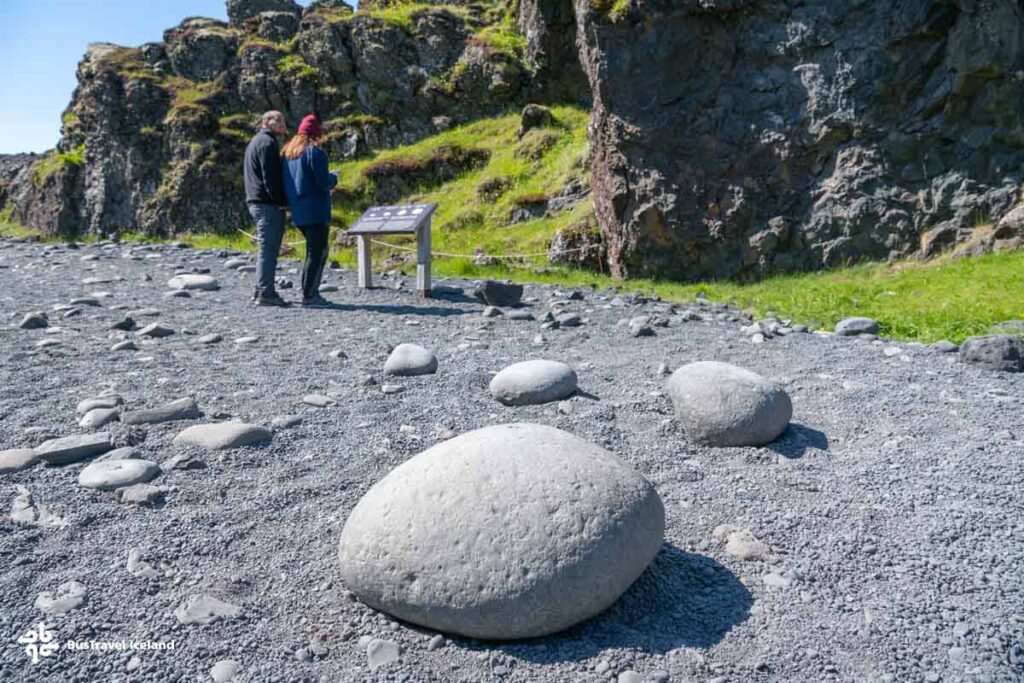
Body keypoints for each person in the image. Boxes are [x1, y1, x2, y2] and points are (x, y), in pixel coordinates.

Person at [281, 114, 338, 307]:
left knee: (312, 251)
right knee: (318, 252)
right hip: (316, 210)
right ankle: (310, 295)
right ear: (316, 134)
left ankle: (309, 292)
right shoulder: (315, 153)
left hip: (298, 210)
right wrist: (334, 178)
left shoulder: (288, 154)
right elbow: (323, 182)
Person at [244, 110, 290, 307]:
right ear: (267, 122)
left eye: (282, 120)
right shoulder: (268, 143)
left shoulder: (255, 141)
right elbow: (270, 178)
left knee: (266, 248)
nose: (282, 124)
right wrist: (281, 202)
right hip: (267, 204)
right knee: (268, 249)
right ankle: (266, 293)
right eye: (278, 120)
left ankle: (260, 289)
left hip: (256, 202)